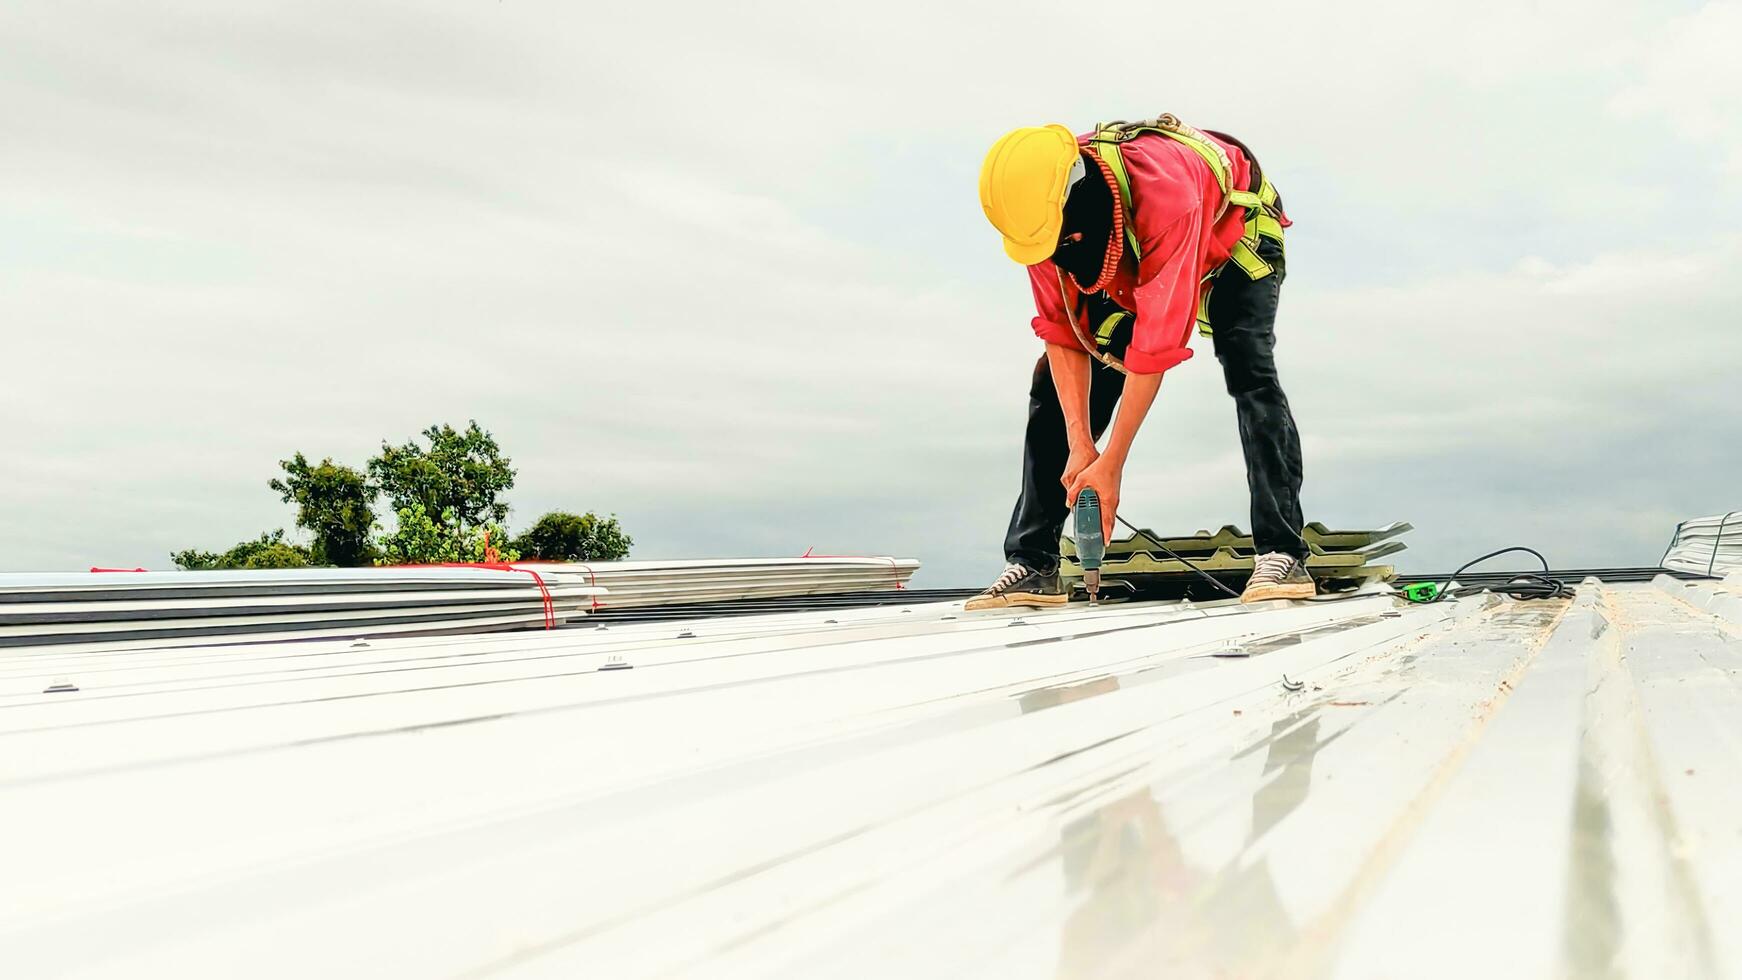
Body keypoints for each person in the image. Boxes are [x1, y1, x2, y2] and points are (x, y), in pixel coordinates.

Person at [967, 115, 1313, 610]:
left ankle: (1281, 553)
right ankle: (1032, 563)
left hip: (1234, 233)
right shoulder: (1036, 221)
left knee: (1248, 366)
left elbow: (1152, 350)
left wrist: (1111, 465)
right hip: (1119, 243)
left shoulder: (1166, 197)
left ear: (1074, 196)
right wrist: (1081, 447)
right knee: (1051, 386)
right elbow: (1063, 334)